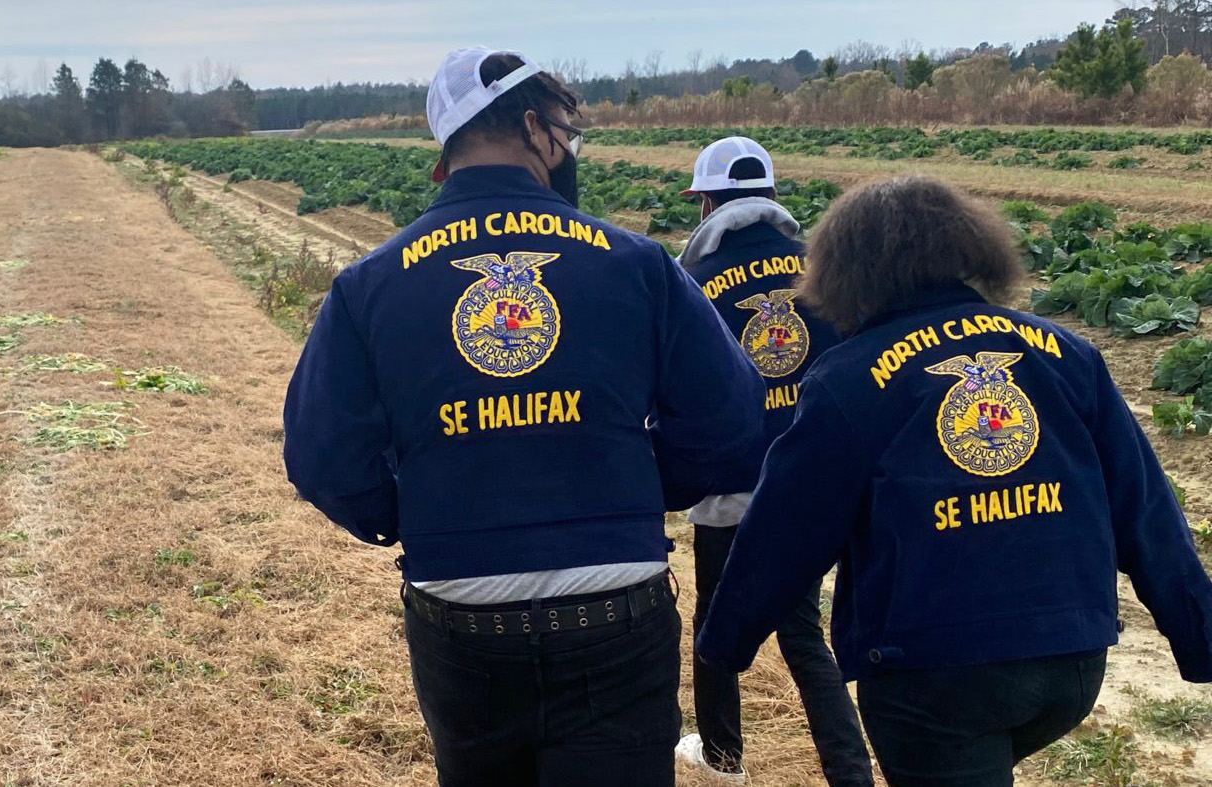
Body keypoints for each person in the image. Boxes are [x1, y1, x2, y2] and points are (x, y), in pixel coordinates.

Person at [283, 46, 765, 787]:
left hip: (461, 625)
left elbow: (320, 455)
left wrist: (409, 511)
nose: (570, 147)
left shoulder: (369, 284)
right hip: (616, 619)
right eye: (567, 130)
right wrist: (640, 487)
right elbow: (732, 421)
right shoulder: (636, 264)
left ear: (448, 156)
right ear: (537, 130)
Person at [696, 175, 1212, 787]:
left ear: (844, 272)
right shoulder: (1065, 352)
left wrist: (724, 645)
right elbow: (1145, 508)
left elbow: (786, 533)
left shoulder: (850, 380)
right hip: (1070, 661)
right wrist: (1196, 633)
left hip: (935, 674)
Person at [672, 137, 873, 787]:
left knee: (715, 621)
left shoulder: (692, 280)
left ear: (707, 202)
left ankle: (724, 757)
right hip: (804, 488)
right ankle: (849, 769)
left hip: (727, 485)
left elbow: (678, 385)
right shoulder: (822, 270)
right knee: (803, 635)